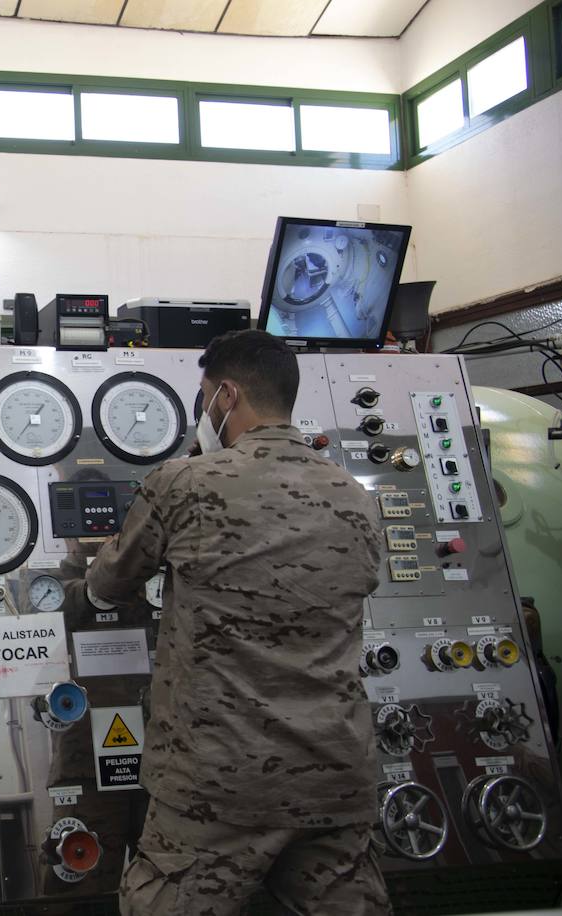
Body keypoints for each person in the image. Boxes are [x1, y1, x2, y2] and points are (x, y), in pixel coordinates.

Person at [82, 329, 390, 915]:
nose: (204, 410)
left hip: (218, 786)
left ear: (225, 396)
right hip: (335, 777)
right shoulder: (357, 497)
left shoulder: (185, 483)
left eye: (204, 398)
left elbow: (106, 584)